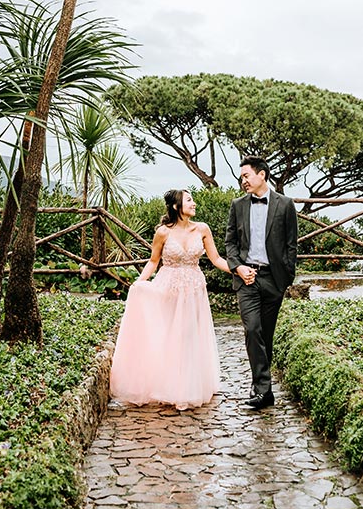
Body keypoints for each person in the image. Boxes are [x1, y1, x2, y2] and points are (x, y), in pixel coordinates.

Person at [109, 189, 232, 410]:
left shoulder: (202, 229)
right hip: (168, 288)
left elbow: (216, 259)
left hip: (194, 289)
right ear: (177, 207)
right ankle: (166, 384)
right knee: (168, 336)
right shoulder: (163, 233)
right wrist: (140, 282)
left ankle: (186, 387)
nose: (194, 203)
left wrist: (237, 270)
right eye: (189, 200)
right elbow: (153, 261)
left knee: (189, 336)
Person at [225, 156, 298, 410]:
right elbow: (231, 243)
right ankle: (262, 389)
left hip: (273, 280)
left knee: (266, 335)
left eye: (246, 175)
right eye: (242, 177)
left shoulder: (286, 205)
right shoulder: (237, 205)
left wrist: (285, 279)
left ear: (262, 175)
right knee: (252, 329)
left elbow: (291, 245)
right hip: (246, 279)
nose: (243, 180)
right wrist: (238, 267)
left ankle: (262, 387)